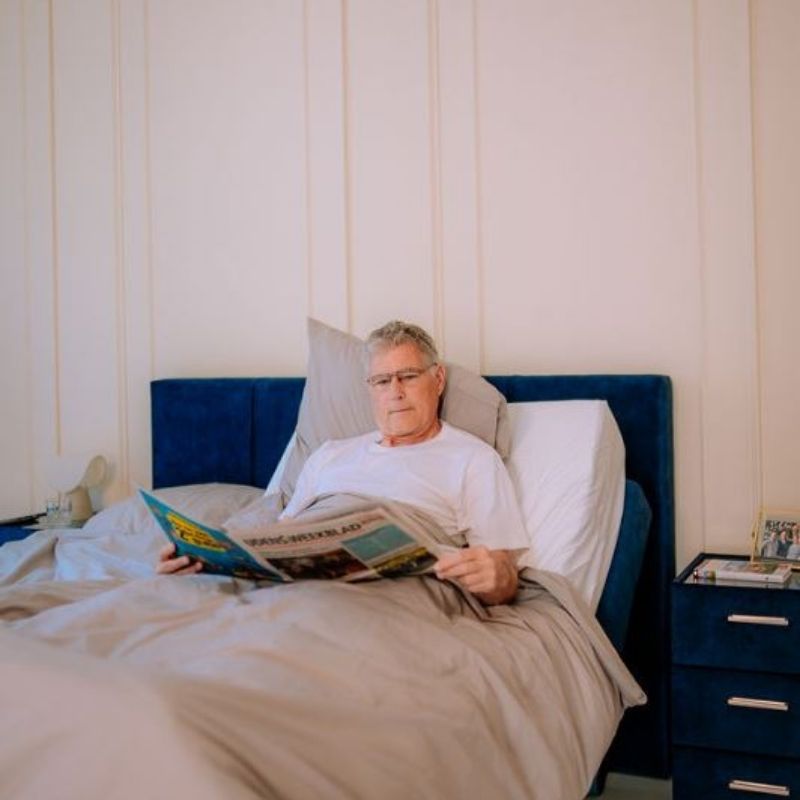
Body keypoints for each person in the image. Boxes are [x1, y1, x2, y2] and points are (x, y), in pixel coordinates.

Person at [158, 320, 529, 605]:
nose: (395, 392)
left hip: (394, 597)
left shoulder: (473, 458)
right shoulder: (329, 454)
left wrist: (496, 577)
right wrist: (206, 559)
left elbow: (503, 575)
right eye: (382, 381)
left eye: (408, 376)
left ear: (438, 379)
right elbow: (281, 539)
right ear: (370, 389)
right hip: (295, 590)